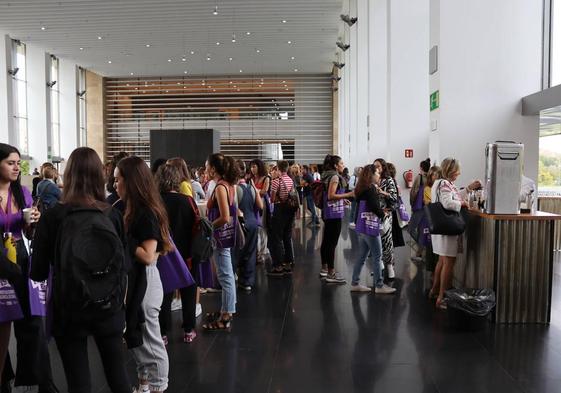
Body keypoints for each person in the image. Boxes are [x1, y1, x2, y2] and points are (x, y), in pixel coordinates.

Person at [31, 147, 131, 393]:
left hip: (70, 308)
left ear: (69, 175)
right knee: (119, 377)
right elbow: (124, 264)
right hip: (109, 306)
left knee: (79, 382)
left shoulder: (53, 216)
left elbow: (38, 273)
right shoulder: (112, 215)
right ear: (99, 175)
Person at [0, 143, 58, 393]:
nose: (16, 167)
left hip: (21, 258)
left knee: (33, 319)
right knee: (2, 322)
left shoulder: (22, 192)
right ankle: (4, 378)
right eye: (10, 163)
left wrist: (33, 223)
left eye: (17, 163)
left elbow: (29, 232)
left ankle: (43, 381)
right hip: (0, 260)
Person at [115, 156, 171, 393]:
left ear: (131, 182)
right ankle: (145, 385)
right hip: (134, 279)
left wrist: (120, 239)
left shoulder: (146, 212)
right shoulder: (125, 207)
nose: (115, 184)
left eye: (118, 180)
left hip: (145, 281)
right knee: (137, 334)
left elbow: (149, 255)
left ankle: (158, 386)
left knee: (150, 340)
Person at [428, 158, 481, 310]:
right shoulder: (444, 183)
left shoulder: (440, 183)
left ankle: (434, 291)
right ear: (451, 170)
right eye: (457, 170)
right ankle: (442, 298)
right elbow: (448, 203)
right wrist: (463, 204)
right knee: (449, 263)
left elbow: (454, 195)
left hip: (440, 228)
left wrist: (468, 189)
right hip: (447, 229)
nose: (459, 173)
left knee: (442, 261)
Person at [156, 163, 198, 344]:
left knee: (164, 292)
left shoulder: (155, 201)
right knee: (188, 289)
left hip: (163, 254)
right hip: (186, 252)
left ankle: (163, 333)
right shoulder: (186, 200)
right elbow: (196, 225)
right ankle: (189, 330)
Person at [203, 153, 238, 330]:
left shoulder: (220, 187)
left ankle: (226, 315)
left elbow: (225, 217)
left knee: (225, 276)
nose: (205, 169)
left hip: (220, 236)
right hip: (224, 236)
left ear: (214, 168)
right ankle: (226, 309)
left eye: (207, 165)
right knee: (227, 274)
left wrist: (207, 226)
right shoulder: (228, 185)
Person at [350, 164, 396, 294]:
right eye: (377, 173)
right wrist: (383, 213)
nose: (379, 175)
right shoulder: (370, 189)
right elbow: (374, 207)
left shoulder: (361, 188)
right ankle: (379, 285)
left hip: (362, 226)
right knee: (377, 256)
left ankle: (355, 283)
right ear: (371, 175)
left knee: (362, 256)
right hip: (370, 227)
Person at [319, 154, 354, 284]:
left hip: (329, 212)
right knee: (331, 243)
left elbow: (332, 196)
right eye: (341, 163)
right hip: (333, 214)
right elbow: (331, 195)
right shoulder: (334, 176)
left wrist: (342, 199)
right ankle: (331, 272)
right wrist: (349, 194)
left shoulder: (327, 175)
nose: (343, 165)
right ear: (335, 165)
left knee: (326, 241)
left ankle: (324, 268)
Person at [234, 161, 263, 290]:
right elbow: (260, 206)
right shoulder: (252, 188)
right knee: (251, 252)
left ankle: (233, 278)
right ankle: (247, 282)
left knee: (236, 252)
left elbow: (234, 208)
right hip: (253, 222)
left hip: (241, 223)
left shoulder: (234, 188)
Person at [267, 160, 298, 277]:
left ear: (278, 168)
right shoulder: (290, 180)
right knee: (287, 236)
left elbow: (272, 199)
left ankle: (278, 266)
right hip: (290, 210)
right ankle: (288, 263)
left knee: (277, 237)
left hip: (280, 210)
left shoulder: (276, 181)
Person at [373, 158, 398, 279]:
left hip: (386, 214)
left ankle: (390, 266)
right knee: (376, 242)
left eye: (378, 166)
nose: (376, 168)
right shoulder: (373, 179)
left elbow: (394, 197)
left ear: (383, 167)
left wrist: (382, 192)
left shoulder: (389, 180)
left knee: (387, 241)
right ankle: (379, 265)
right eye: (374, 166)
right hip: (374, 214)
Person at [250, 159, 271, 263]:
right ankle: (257, 252)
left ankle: (262, 252)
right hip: (253, 204)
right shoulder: (252, 178)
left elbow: (264, 192)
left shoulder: (266, 178)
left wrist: (254, 190)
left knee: (262, 228)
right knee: (256, 228)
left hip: (262, 204)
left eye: (254, 166)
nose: (252, 169)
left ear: (259, 167)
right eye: (251, 167)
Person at [409, 158, 431, 262]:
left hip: (419, 208)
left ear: (421, 167)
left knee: (411, 229)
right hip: (427, 207)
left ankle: (424, 245)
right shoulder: (430, 178)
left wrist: (412, 204)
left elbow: (413, 192)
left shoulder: (420, 177)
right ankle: (420, 254)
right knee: (422, 230)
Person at [387, 163, 405, 249]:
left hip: (390, 210)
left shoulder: (390, 181)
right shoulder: (394, 181)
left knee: (390, 236)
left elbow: (392, 197)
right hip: (394, 210)